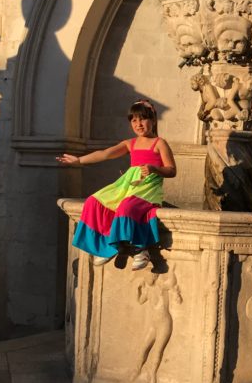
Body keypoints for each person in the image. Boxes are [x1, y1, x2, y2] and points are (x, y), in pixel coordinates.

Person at [56, 100, 176, 271]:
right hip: (127, 185)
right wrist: (79, 160)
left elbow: (172, 170)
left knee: (127, 207)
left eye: (143, 119)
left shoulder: (160, 143)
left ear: (153, 120)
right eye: (134, 120)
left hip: (148, 188)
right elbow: (105, 154)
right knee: (93, 201)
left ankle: (140, 249)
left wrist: (154, 169)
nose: (139, 124)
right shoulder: (130, 143)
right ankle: (107, 246)